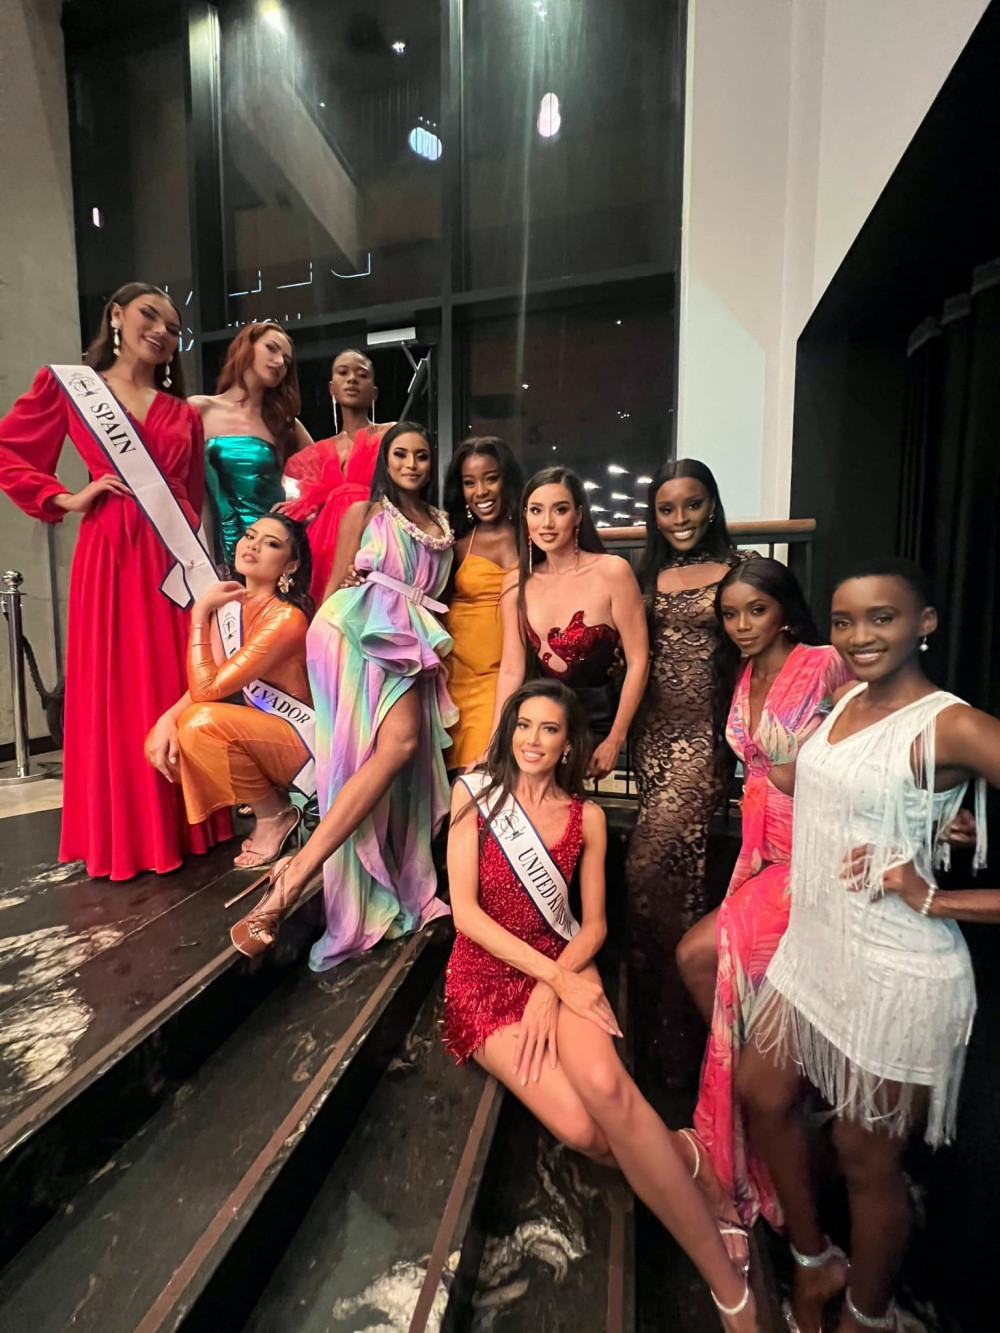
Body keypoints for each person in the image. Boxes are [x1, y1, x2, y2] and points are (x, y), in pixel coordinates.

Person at [443, 680, 759, 1332]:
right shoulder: (474, 794)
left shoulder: (584, 817)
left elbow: (592, 926)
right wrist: (549, 981)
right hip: (485, 980)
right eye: (523, 725)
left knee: (611, 1092)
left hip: (562, 962)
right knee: (584, 1131)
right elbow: (466, 915)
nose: (532, 740)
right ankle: (690, 1158)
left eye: (548, 729)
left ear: (568, 743)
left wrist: (552, 983)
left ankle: (730, 1289)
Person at [737, 559, 995, 1333]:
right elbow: (840, 784)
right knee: (761, 1091)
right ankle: (815, 1259)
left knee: (864, 1156)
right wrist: (933, 819)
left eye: (883, 617)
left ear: (925, 623)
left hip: (896, 969)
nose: (859, 635)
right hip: (818, 946)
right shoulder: (849, 695)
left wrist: (937, 895)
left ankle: (865, 1316)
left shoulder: (952, 723)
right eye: (846, 620)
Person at [0, 281, 230, 880]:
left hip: (174, 562)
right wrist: (66, 498)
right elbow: (10, 452)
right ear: (117, 316)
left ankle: (188, 821)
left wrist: (206, 568)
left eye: (174, 328)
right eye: (150, 315)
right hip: (111, 553)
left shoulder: (183, 413)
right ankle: (128, 832)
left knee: (176, 676)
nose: (161, 331)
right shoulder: (71, 387)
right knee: (118, 682)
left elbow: (192, 496)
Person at [230, 422, 454, 966]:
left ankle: (311, 876)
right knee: (387, 750)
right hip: (354, 630)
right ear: (386, 460)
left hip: (409, 635)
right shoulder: (367, 511)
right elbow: (334, 585)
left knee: (393, 761)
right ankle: (288, 890)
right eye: (400, 454)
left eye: (421, 456)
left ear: (432, 463)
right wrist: (316, 664)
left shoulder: (443, 524)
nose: (411, 464)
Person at [673, 558, 853, 1231]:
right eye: (730, 614)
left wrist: (927, 807)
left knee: (702, 955)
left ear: (784, 610)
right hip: (760, 852)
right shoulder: (744, 675)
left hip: (814, 855)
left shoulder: (825, 664)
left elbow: (888, 733)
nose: (742, 625)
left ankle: (773, 1114)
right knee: (707, 965)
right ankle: (774, 1114)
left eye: (756, 610)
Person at [625, 458, 750, 1088]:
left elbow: (775, 643)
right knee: (678, 880)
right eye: (667, 508)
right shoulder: (645, 572)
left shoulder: (742, 568)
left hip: (706, 737)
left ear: (712, 505)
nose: (680, 519)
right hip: (651, 736)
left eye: (692, 504)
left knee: (646, 867)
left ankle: (687, 1039)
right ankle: (668, 1046)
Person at [145, 514, 313, 869]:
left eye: (271, 543)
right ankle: (270, 802)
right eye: (250, 536)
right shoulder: (232, 609)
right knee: (169, 734)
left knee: (200, 724)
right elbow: (210, 682)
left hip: (305, 744)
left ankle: (274, 815)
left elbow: (207, 689)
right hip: (266, 732)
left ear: (290, 565)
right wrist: (166, 720)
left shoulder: (286, 618)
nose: (253, 545)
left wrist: (199, 615)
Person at [490, 466, 649, 779]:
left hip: (595, 721)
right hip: (538, 721)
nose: (546, 523)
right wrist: (495, 742)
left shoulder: (613, 572)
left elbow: (639, 661)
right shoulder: (517, 583)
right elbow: (511, 670)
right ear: (525, 516)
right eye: (536, 510)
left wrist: (615, 740)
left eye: (559, 510)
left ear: (578, 515)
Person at [191, 321, 312, 570]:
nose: (279, 362)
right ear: (246, 347)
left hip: (274, 559)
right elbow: (192, 492)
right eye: (271, 348)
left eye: (287, 361)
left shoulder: (285, 424)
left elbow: (326, 476)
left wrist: (301, 507)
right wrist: (207, 560)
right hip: (219, 556)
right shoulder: (200, 409)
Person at [279, 348, 393, 607]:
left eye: (361, 375)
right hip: (322, 550)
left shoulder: (390, 437)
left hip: (374, 541)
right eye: (343, 372)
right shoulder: (314, 455)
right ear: (332, 388)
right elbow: (299, 507)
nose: (352, 379)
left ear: (374, 392)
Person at [441, 436, 522, 770]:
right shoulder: (456, 542)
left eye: (491, 478)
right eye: (469, 482)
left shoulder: (533, 535)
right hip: (463, 677)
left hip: (515, 674)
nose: (481, 491)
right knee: (470, 776)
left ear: (507, 480)